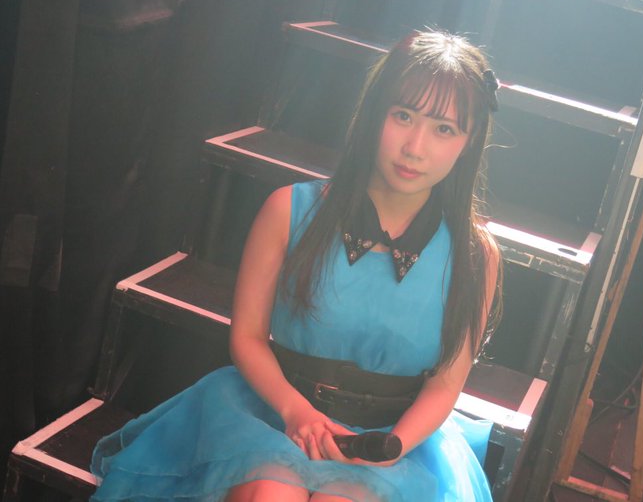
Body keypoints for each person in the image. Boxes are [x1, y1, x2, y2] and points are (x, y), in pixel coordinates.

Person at [91, 29, 502, 502]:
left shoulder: (475, 256)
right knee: (269, 495)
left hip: (394, 439)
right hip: (275, 413)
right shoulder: (288, 210)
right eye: (403, 116)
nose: (415, 146)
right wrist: (296, 412)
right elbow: (247, 337)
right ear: (374, 114)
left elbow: (445, 384)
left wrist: (390, 449)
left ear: (469, 141)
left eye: (444, 129)